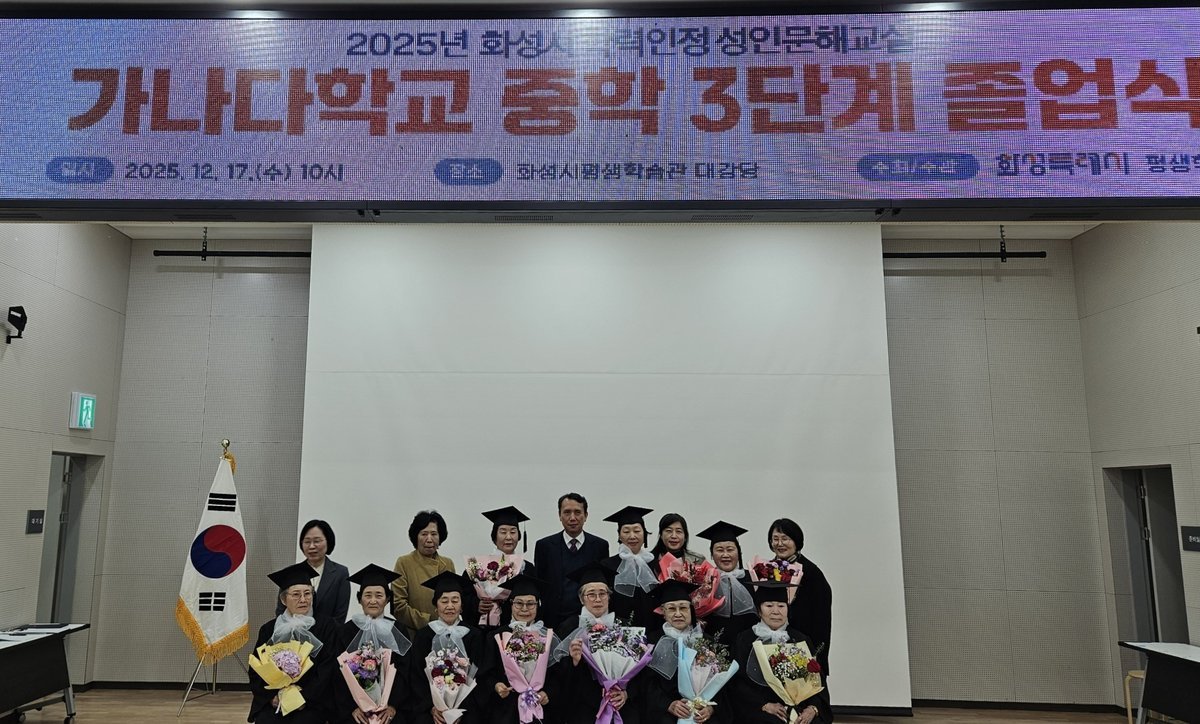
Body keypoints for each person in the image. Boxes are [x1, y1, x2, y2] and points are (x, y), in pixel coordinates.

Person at [552, 561, 641, 724]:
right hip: (582, 706)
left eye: (603, 593)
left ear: (609, 596)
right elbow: (557, 676)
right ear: (581, 599)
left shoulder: (624, 626)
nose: (598, 599)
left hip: (619, 703)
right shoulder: (568, 627)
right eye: (591, 594)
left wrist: (626, 693)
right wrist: (574, 661)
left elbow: (639, 670)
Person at [250, 562, 338, 724]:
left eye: (308, 593)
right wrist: (271, 697)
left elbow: (327, 669)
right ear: (284, 599)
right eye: (296, 594)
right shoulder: (268, 629)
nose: (303, 599)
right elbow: (256, 669)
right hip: (275, 699)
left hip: (311, 702)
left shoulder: (327, 627)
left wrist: (302, 698)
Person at [733, 581, 831, 724]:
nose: (776, 611)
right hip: (759, 708)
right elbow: (738, 683)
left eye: (781, 606)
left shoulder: (800, 639)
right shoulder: (745, 639)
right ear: (759, 610)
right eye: (769, 606)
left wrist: (812, 708)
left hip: (799, 707)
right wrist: (764, 705)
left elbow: (816, 680)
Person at [333, 564, 412, 724]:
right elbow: (338, 674)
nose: (373, 601)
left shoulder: (398, 630)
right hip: (356, 709)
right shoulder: (346, 631)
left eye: (379, 595)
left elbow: (405, 671)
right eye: (368, 595)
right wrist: (352, 707)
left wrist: (392, 706)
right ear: (360, 599)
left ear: (387, 599)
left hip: (390, 709)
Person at [409, 571, 490, 724]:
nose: (450, 606)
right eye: (444, 601)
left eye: (455, 601)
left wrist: (460, 709)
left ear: (462, 606)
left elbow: (479, 677)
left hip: (467, 709)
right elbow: (417, 677)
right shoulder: (424, 635)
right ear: (436, 606)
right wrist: (432, 707)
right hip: (431, 709)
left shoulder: (474, 635)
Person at [479, 574, 560, 724]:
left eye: (530, 604)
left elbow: (556, 674)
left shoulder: (547, 637)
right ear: (511, 604)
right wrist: (496, 686)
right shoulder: (496, 636)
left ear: (538, 605)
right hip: (506, 708)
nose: (524, 609)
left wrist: (547, 692)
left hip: (539, 707)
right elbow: (486, 674)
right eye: (519, 603)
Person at [643, 580, 724, 724]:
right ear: (663, 613)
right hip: (666, 711)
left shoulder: (706, 640)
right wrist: (668, 704)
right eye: (671, 609)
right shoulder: (652, 641)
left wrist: (711, 707)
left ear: (691, 611)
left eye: (683, 608)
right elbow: (647, 683)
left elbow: (721, 682)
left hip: (701, 710)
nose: (678, 614)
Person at [533, 493, 610, 629]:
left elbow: (603, 583)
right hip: (552, 619)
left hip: (588, 620)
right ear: (559, 515)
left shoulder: (599, 546)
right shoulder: (545, 546)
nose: (572, 518)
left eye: (577, 512)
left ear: (586, 515)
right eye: (567, 512)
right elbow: (540, 583)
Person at [768, 518, 832, 674]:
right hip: (770, 646)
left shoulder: (812, 573)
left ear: (796, 541)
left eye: (785, 538)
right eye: (775, 539)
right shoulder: (765, 570)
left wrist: (816, 657)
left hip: (803, 647)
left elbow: (822, 622)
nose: (780, 543)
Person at [392, 511, 457, 637]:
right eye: (424, 534)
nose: (429, 539)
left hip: (446, 634)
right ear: (415, 537)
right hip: (415, 635)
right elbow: (398, 606)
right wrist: (430, 623)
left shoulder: (448, 563)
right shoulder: (404, 562)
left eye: (434, 534)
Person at [695, 521, 756, 648]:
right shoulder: (705, 579)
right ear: (712, 554)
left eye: (730, 549)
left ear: (738, 552)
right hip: (713, 646)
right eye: (719, 550)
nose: (725, 555)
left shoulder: (752, 577)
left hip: (749, 646)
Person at [276, 519, 350, 622]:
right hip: (293, 630)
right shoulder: (292, 573)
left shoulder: (340, 573)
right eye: (307, 542)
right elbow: (281, 611)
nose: (311, 546)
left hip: (328, 631)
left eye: (317, 541)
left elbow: (340, 614)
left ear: (328, 541)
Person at [475, 506, 538, 625]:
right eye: (503, 532)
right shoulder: (479, 565)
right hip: (486, 626)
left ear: (519, 536)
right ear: (494, 536)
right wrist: (477, 605)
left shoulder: (527, 568)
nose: (508, 537)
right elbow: (465, 595)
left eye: (513, 532)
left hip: (518, 626)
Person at [603, 505, 660, 628]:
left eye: (637, 531)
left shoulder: (655, 563)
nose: (632, 536)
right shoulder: (608, 565)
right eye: (626, 531)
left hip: (653, 628)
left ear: (644, 534)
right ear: (619, 535)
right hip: (620, 630)